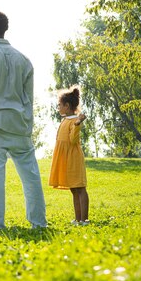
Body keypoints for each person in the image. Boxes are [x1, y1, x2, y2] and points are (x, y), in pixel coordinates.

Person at [0, 11, 47, 229]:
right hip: (19, 125)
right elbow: (28, 99)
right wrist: (27, 126)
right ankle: (39, 223)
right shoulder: (24, 59)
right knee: (31, 176)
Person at [49, 87, 89, 225]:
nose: (58, 107)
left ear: (67, 106)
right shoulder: (65, 120)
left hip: (74, 158)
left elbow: (73, 140)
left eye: (60, 105)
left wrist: (78, 124)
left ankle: (85, 219)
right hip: (65, 159)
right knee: (73, 188)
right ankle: (78, 219)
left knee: (80, 187)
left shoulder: (74, 121)